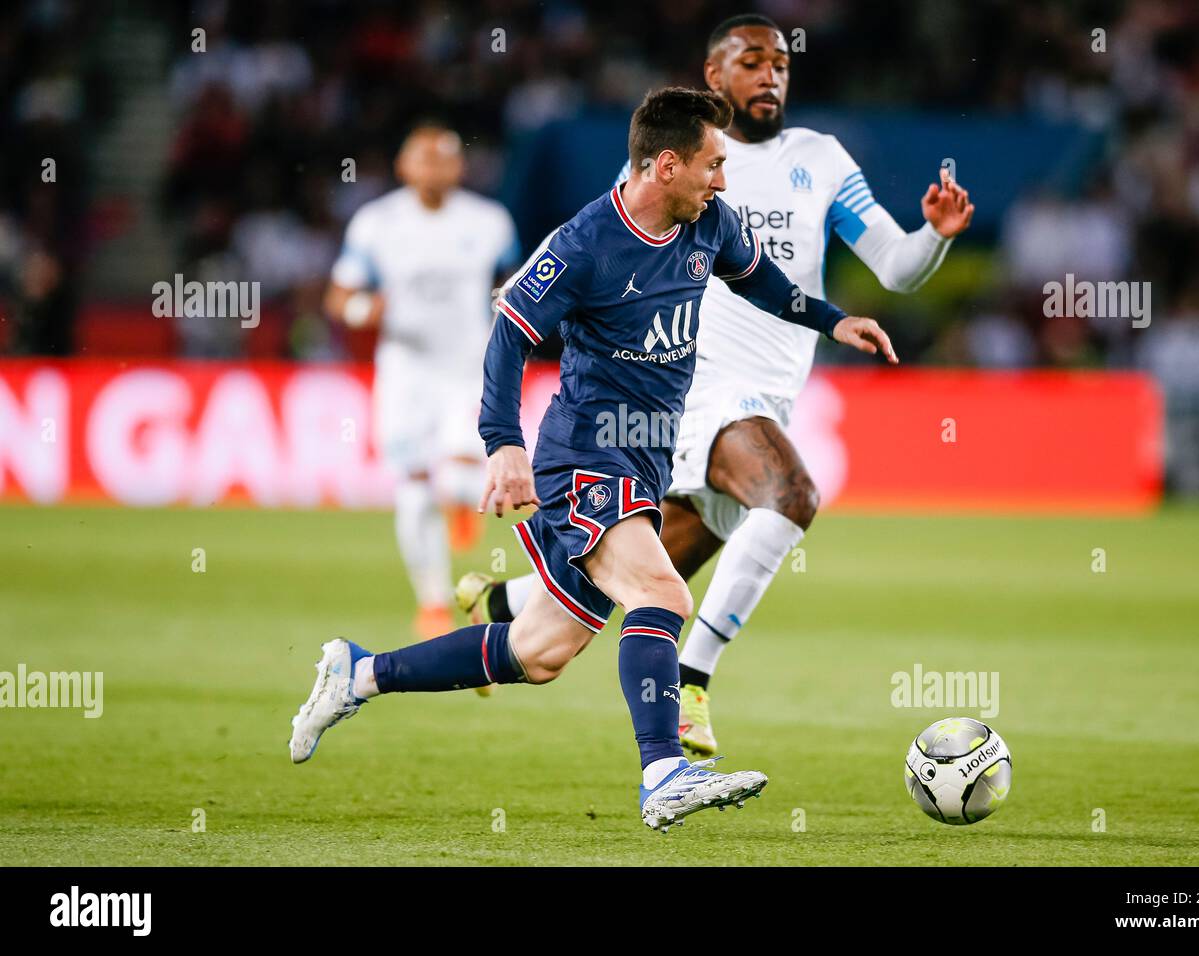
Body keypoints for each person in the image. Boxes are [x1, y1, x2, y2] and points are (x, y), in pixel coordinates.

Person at [290, 87, 896, 832]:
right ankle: (663, 773)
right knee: (665, 597)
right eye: (713, 165)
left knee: (541, 651)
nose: (724, 180)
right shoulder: (583, 245)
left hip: (644, 462)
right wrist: (502, 445)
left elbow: (763, 282)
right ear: (666, 165)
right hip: (586, 453)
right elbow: (509, 335)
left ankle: (358, 672)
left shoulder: (709, 223)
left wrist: (837, 322)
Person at [457, 14, 974, 751]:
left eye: (782, 65)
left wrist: (933, 238)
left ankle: (506, 603)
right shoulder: (678, 160)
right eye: (753, 60)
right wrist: (524, 288)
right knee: (792, 497)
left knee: (658, 564)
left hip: (771, 390)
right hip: (697, 379)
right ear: (713, 75)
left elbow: (894, 264)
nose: (771, 74)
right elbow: (600, 229)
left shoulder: (822, 159)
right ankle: (691, 685)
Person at [324, 123, 520, 643]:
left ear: (460, 168)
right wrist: (369, 307)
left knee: (458, 476)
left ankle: (460, 503)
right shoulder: (376, 222)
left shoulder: (490, 221)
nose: (434, 170)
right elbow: (339, 298)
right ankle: (432, 601)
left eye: (445, 160)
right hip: (406, 374)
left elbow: (516, 280)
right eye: (423, 160)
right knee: (412, 486)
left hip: (469, 369)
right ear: (403, 167)